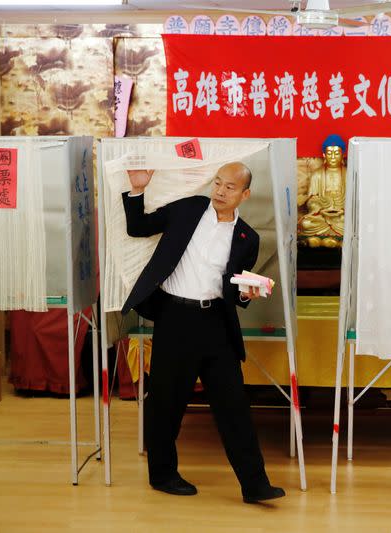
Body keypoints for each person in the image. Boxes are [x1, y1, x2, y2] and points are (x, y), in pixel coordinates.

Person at [121, 161, 285, 503]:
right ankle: (163, 475)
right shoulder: (188, 209)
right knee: (166, 401)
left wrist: (244, 293)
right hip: (174, 318)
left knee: (234, 406)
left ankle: (255, 485)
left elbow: (233, 288)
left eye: (230, 187)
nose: (221, 192)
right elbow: (138, 227)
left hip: (216, 325)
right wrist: (137, 190)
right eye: (218, 183)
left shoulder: (248, 238)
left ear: (245, 194)